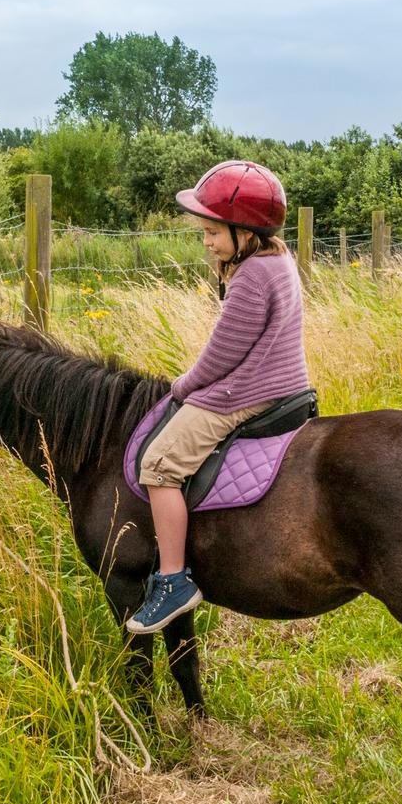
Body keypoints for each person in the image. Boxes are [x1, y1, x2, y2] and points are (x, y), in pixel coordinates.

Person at [126, 160, 310, 634]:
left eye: (212, 231)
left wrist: (182, 386)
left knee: (159, 463)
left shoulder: (250, 277)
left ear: (244, 230)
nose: (206, 241)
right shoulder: (279, 260)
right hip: (286, 383)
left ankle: (173, 580)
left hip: (247, 390)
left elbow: (222, 356)